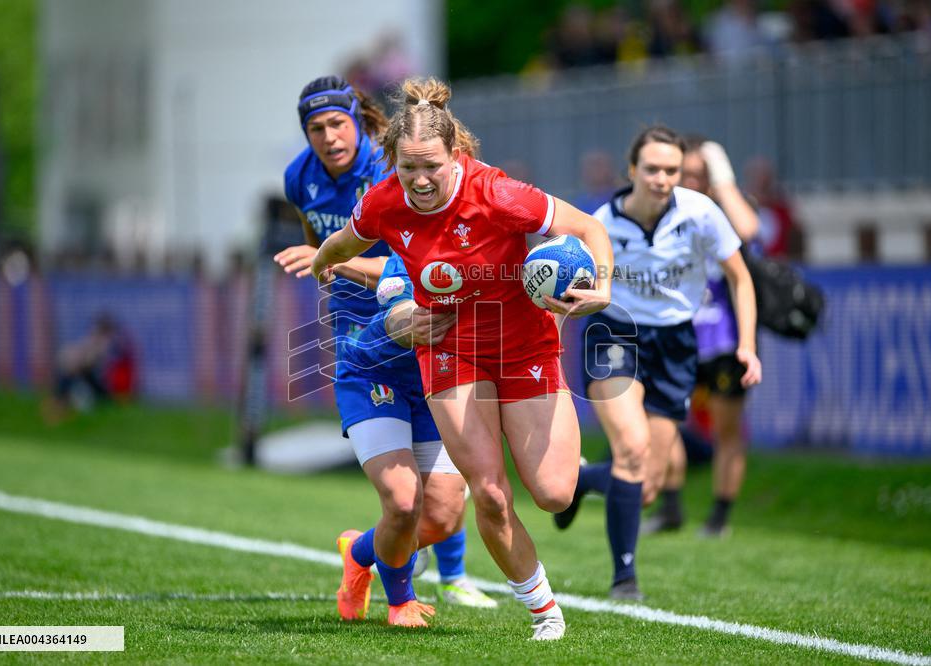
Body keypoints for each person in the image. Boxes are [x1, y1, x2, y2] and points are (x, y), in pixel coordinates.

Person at [309, 77, 613, 640]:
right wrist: (322, 261)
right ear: (393, 163)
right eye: (407, 169)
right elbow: (343, 244)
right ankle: (545, 612)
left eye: (431, 166)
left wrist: (605, 287)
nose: (420, 180)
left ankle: (364, 551)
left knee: (554, 492)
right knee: (491, 495)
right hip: (449, 353)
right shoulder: (384, 203)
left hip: (525, 345)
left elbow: (589, 227)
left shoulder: (498, 194)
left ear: (457, 156)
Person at [273, 76, 495, 627]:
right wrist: (326, 263)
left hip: (425, 333)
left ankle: (363, 553)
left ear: (360, 121)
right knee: (402, 501)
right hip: (364, 345)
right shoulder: (299, 177)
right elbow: (320, 242)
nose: (328, 137)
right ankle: (400, 598)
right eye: (315, 128)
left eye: (337, 123)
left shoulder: (393, 173)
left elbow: (398, 266)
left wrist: (329, 258)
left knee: (442, 514)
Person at [552, 125, 762, 600]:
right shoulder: (602, 221)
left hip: (675, 343)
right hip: (615, 332)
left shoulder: (700, 213)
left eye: (671, 170)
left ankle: (581, 479)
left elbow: (740, 278)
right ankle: (624, 577)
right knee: (629, 447)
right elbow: (573, 283)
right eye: (652, 169)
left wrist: (746, 344)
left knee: (646, 482)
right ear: (632, 170)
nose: (662, 178)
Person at [644, 137, 762, 537]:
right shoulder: (664, 211)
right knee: (661, 421)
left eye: (700, 173)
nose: (692, 181)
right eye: (686, 172)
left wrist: (722, 175)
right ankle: (672, 506)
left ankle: (719, 517)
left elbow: (748, 229)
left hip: (725, 342)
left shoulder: (721, 211)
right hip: (677, 337)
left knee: (726, 431)